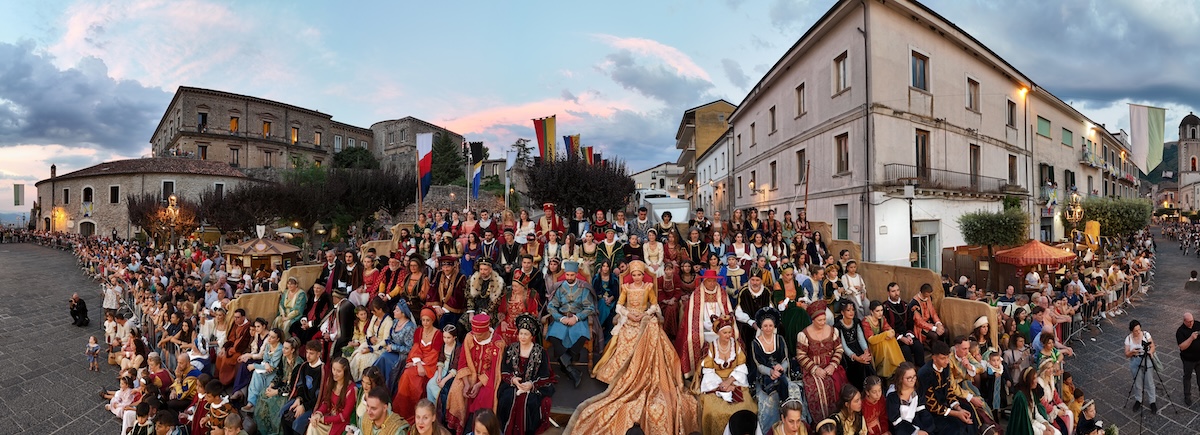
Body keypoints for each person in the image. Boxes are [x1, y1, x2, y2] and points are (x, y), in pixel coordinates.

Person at [566, 261, 699, 435]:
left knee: (653, 332)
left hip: (643, 319)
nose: (636, 277)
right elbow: (619, 306)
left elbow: (654, 305)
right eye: (634, 275)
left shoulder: (648, 287)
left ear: (643, 276)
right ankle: (621, 374)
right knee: (624, 338)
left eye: (639, 275)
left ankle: (644, 370)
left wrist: (644, 314)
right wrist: (629, 314)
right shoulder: (626, 288)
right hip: (629, 320)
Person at [694, 313, 757, 435]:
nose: (728, 335)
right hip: (715, 384)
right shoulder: (711, 347)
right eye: (725, 333)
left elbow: (741, 366)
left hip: (735, 381)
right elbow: (708, 370)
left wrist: (729, 382)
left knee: (745, 407)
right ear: (718, 333)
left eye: (729, 332)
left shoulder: (737, 346)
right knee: (714, 411)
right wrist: (722, 385)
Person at [446, 314, 506, 433]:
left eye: (479, 335)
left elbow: (494, 370)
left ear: (486, 331)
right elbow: (463, 361)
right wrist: (466, 384)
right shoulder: (469, 337)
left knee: (484, 397)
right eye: (475, 334)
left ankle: (477, 429)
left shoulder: (498, 343)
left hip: (486, 380)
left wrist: (478, 385)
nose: (476, 337)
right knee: (456, 390)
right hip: (469, 375)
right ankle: (457, 428)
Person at [498, 313, 556, 435]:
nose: (522, 337)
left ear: (532, 336)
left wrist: (531, 385)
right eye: (521, 333)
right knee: (507, 398)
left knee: (530, 402)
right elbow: (505, 370)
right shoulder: (510, 349)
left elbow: (545, 375)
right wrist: (513, 380)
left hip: (532, 387)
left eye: (526, 334)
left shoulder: (540, 352)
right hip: (513, 385)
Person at [918, 341, 987, 435]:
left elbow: (949, 389)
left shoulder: (946, 367)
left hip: (947, 405)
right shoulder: (925, 374)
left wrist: (958, 408)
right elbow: (931, 404)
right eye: (943, 358)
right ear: (934, 358)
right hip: (933, 412)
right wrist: (957, 414)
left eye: (947, 357)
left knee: (968, 410)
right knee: (956, 428)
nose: (947, 361)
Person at [678, 269, 737, 377]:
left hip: (720, 326)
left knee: (735, 335)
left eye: (714, 281)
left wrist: (720, 323)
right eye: (709, 281)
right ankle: (697, 371)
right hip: (702, 327)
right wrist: (705, 324)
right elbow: (693, 315)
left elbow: (726, 311)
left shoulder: (721, 292)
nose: (712, 283)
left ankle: (728, 368)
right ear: (704, 281)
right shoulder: (697, 293)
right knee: (692, 339)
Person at [796, 300, 848, 421]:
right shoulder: (803, 335)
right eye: (820, 320)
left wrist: (832, 365)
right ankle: (822, 421)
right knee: (817, 387)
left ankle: (839, 419)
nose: (823, 322)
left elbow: (839, 349)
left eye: (824, 319)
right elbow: (801, 355)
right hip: (812, 367)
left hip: (831, 365)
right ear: (813, 320)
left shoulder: (833, 331)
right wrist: (815, 369)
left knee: (837, 383)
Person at [545, 260, 594, 387]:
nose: (569, 277)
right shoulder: (560, 288)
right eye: (567, 275)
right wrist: (561, 318)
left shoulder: (583, 288)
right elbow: (551, 306)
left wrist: (576, 318)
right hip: (562, 318)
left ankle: (564, 365)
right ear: (565, 274)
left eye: (572, 275)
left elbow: (590, 307)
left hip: (578, 319)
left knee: (582, 336)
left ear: (576, 274)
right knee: (553, 336)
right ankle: (571, 370)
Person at [394, 308, 444, 422]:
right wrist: (417, 363)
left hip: (429, 365)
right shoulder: (419, 331)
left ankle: (415, 411)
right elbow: (416, 349)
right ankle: (402, 410)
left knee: (416, 380)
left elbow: (434, 355)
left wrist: (419, 365)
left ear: (432, 320)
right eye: (423, 320)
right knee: (406, 374)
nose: (425, 323)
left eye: (428, 320)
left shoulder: (438, 334)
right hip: (418, 362)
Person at [752, 307, 789, 433]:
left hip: (780, 371)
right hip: (765, 374)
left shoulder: (780, 339)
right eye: (765, 326)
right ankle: (771, 430)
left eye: (770, 325)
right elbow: (758, 364)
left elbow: (785, 359)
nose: (768, 328)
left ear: (774, 326)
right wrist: (771, 372)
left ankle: (787, 418)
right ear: (761, 327)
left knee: (788, 386)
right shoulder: (756, 343)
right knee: (770, 393)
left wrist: (781, 367)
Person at [281, 340, 325, 435]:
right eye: (307, 352)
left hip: (313, 405)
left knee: (298, 423)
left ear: (318, 354)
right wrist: (299, 399)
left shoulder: (322, 371)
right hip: (302, 400)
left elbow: (319, 396)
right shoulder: (304, 366)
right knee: (283, 412)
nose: (308, 356)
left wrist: (304, 407)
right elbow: (300, 386)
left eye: (311, 353)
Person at [307, 356, 357, 435]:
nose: (335, 373)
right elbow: (326, 402)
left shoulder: (351, 390)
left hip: (341, 423)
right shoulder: (330, 382)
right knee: (313, 425)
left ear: (345, 371)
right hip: (329, 418)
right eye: (333, 369)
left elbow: (344, 416)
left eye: (339, 371)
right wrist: (318, 414)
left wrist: (325, 419)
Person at [349, 299, 395, 382]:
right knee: (357, 355)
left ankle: (362, 381)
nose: (372, 312)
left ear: (380, 310)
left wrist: (371, 349)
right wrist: (370, 337)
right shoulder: (375, 317)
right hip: (370, 343)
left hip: (380, 348)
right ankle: (351, 378)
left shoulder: (389, 321)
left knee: (364, 359)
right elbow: (369, 330)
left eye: (374, 311)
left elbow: (385, 340)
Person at [374, 299, 416, 389]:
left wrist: (393, 347)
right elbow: (390, 336)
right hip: (391, 350)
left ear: (403, 313)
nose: (394, 311)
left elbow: (409, 349)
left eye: (397, 310)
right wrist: (388, 343)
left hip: (401, 355)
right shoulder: (396, 322)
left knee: (386, 359)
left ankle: (386, 388)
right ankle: (375, 383)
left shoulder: (409, 328)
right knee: (382, 358)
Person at [1006, 367, 1059, 435]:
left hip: (1034, 423)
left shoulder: (1031, 392)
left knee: (1056, 433)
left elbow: (1035, 413)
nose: (1036, 381)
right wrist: (1042, 433)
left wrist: (1046, 424)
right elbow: (1024, 424)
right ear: (1028, 380)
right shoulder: (1021, 398)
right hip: (1028, 429)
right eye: (1034, 378)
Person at [835, 299, 875, 389]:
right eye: (848, 310)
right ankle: (861, 389)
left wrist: (865, 352)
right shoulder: (838, 326)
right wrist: (857, 358)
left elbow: (861, 339)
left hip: (858, 348)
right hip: (847, 354)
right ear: (842, 312)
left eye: (853, 310)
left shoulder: (856, 322)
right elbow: (844, 346)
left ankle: (872, 387)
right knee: (860, 365)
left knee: (867, 364)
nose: (851, 312)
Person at [244, 327, 285, 413]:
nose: (269, 338)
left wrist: (255, 366)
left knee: (258, 374)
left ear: (278, 339)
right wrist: (266, 363)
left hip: (275, 372)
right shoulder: (268, 345)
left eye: (272, 337)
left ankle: (257, 404)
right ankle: (251, 402)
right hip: (265, 369)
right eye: (269, 335)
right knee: (256, 374)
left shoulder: (279, 349)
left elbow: (273, 366)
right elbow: (265, 359)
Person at [886, 362, 934, 435]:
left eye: (914, 376)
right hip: (900, 429)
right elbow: (896, 421)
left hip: (915, 422)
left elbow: (921, 410)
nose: (913, 380)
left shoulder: (917, 389)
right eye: (909, 378)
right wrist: (916, 432)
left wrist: (928, 429)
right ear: (901, 378)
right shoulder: (892, 396)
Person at [881, 283, 924, 365]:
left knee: (918, 346)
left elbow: (910, 322)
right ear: (888, 293)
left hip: (906, 334)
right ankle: (909, 370)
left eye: (897, 290)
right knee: (906, 350)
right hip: (894, 337)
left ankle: (921, 368)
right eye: (893, 291)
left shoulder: (905, 305)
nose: (896, 293)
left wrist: (908, 335)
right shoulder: (885, 307)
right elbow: (886, 327)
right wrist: (900, 338)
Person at [427, 325, 461, 426]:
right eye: (444, 337)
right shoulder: (444, 345)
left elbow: (455, 367)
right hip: (442, 369)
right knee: (430, 385)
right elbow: (441, 359)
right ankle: (431, 409)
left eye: (448, 337)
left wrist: (444, 380)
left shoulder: (458, 348)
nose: (446, 340)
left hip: (451, 373)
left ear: (454, 337)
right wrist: (439, 375)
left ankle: (439, 412)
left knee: (441, 391)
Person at [862, 300, 904, 379]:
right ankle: (886, 371)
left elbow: (890, 329)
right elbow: (871, 340)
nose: (880, 313)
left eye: (881, 310)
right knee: (885, 343)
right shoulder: (866, 321)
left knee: (891, 340)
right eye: (877, 311)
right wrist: (885, 334)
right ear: (871, 311)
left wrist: (891, 333)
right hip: (873, 345)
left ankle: (897, 365)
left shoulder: (882, 319)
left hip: (881, 342)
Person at [1125, 319, 1158, 414]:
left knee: (1149, 382)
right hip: (1135, 360)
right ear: (1131, 331)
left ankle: (1152, 401)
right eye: (1136, 331)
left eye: (1139, 329)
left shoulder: (1146, 335)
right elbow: (1126, 354)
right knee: (1137, 382)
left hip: (1147, 359)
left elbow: (1153, 346)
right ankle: (1138, 400)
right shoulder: (1128, 339)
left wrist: (1150, 352)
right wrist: (1132, 352)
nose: (1138, 332)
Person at [429, 256, 468, 330]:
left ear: (453, 267)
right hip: (439, 306)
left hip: (452, 309)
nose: (445, 269)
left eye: (448, 267)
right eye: (443, 267)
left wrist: (444, 309)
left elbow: (459, 296)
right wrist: (436, 306)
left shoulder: (460, 277)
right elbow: (433, 290)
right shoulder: (439, 274)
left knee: (445, 319)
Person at [1177, 312, 1200, 406]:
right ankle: (1187, 396)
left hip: (1199, 358)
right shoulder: (1180, 331)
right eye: (1189, 322)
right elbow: (1182, 347)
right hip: (1188, 360)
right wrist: (1191, 338)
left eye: (1192, 321)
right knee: (1187, 377)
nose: (1191, 323)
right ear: (1184, 321)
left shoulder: (1197, 324)